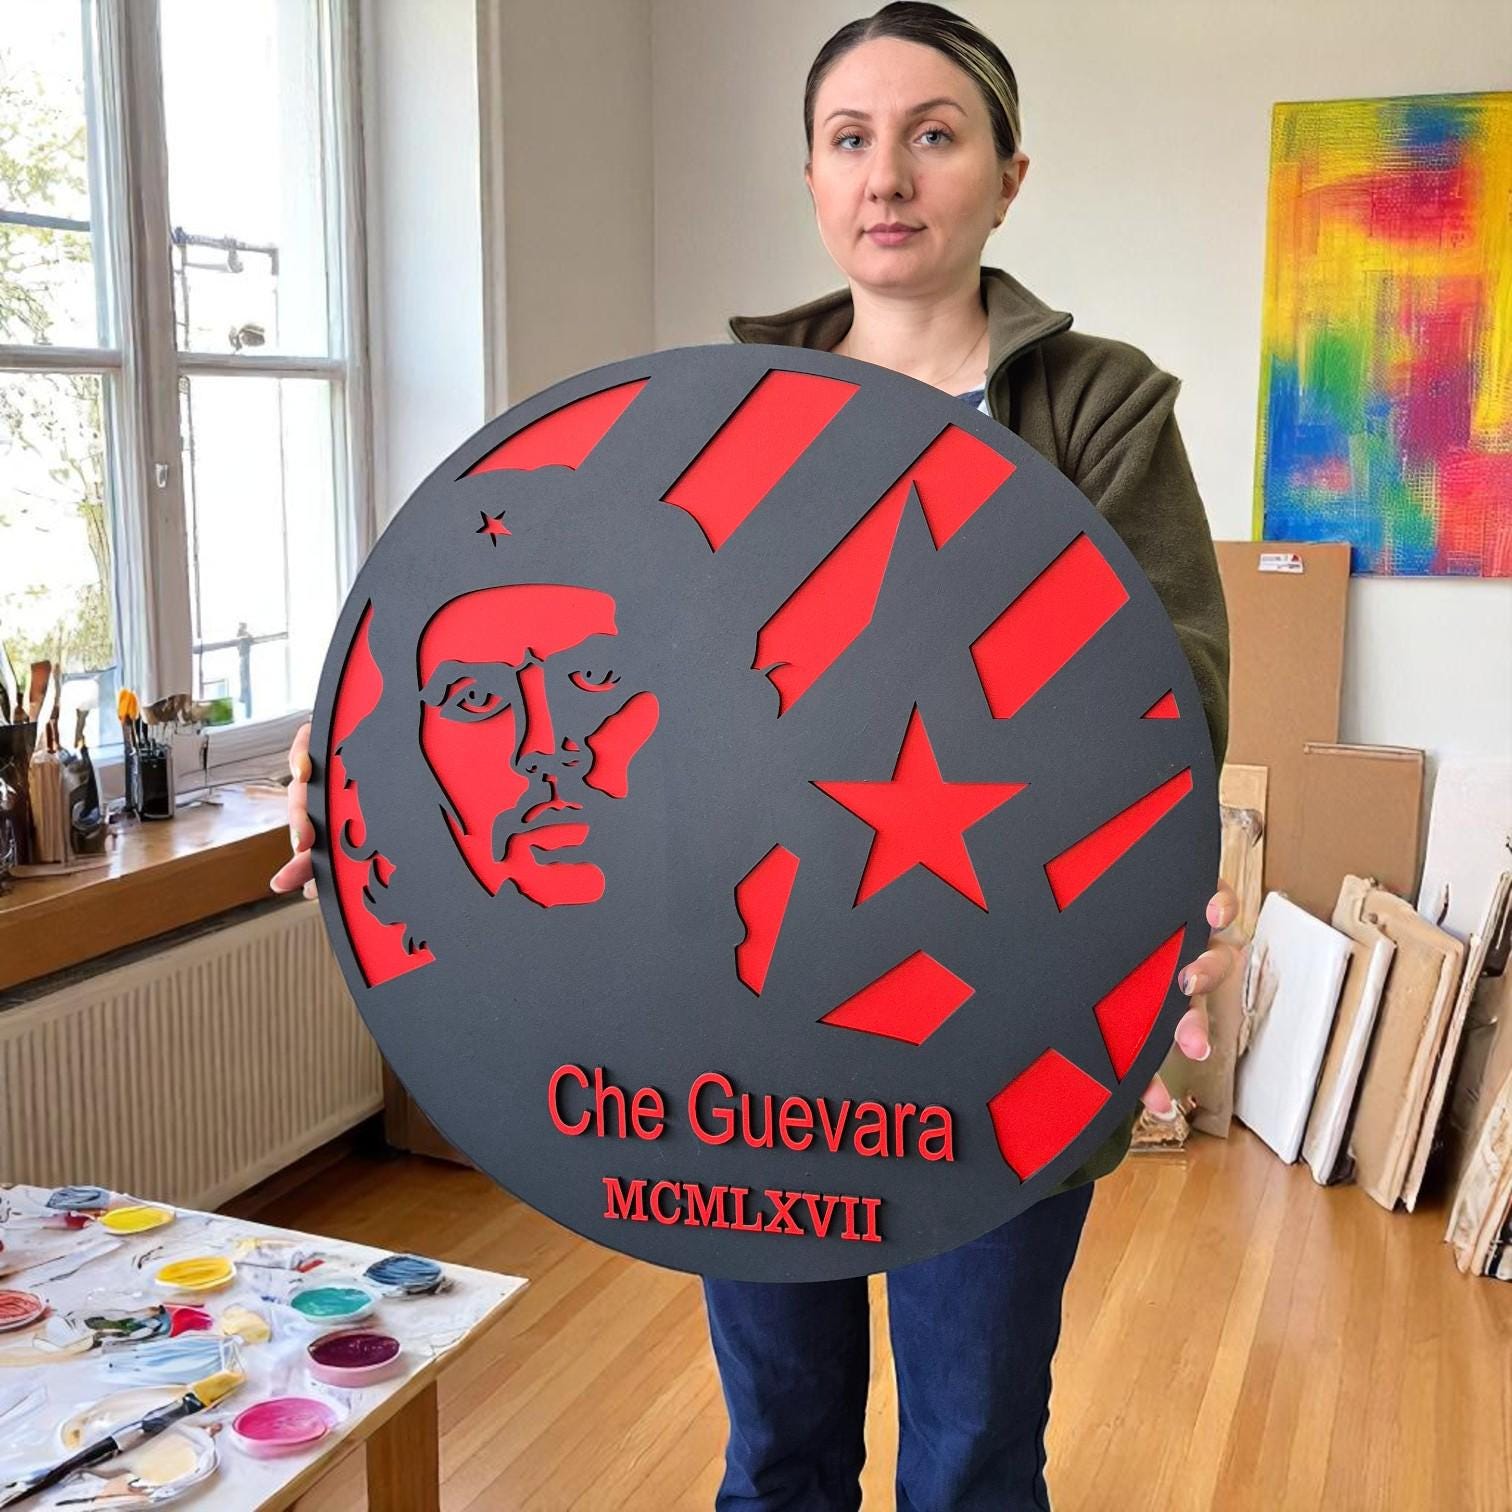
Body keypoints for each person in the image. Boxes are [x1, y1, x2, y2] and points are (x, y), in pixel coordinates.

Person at [272, 5, 1238, 1506]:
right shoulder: (713, 419)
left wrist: (1160, 905)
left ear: (1007, 176)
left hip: (990, 1017)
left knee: (974, 1455)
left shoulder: (1095, 407)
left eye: (933, 135)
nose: (888, 175)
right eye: (851, 139)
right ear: (811, 179)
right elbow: (498, 637)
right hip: (734, 1036)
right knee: (778, 1449)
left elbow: (1166, 706)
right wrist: (349, 761)